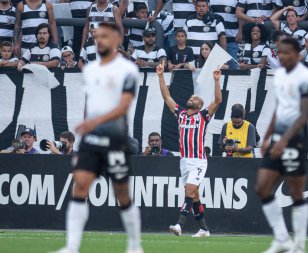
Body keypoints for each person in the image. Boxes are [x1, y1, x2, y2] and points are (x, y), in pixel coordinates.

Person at [51, 22, 143, 253]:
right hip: (91, 140)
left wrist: (94, 122)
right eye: (96, 37)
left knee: (122, 194)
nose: (98, 40)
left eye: (104, 36)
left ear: (116, 39)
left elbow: (123, 107)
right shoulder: (90, 70)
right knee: (79, 185)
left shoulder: (128, 71)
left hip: (115, 139)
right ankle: (71, 247)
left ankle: (134, 245)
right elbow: (90, 107)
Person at [256, 37, 308, 253]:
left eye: (286, 53)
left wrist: (283, 140)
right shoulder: (280, 75)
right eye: (279, 53)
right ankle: (282, 239)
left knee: (295, 191)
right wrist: (267, 136)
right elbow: (279, 107)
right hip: (278, 137)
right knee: (262, 186)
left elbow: (305, 114)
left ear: (298, 54)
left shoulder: (306, 78)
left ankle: (299, 246)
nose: (281, 56)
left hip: (298, 138)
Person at [156, 62, 222, 237]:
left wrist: (216, 81)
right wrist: (161, 76)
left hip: (198, 160)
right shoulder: (181, 114)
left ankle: (179, 225)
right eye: (191, 97)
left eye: (195, 98)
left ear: (200, 105)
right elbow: (167, 97)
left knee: (189, 191)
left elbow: (217, 100)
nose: (191, 98)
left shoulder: (203, 115)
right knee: (194, 197)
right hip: (184, 161)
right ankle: (204, 229)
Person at [210, 0, 240, 69]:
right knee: (214, 66)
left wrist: (240, 31)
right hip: (215, 39)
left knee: (232, 67)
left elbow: (240, 16)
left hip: (231, 37)